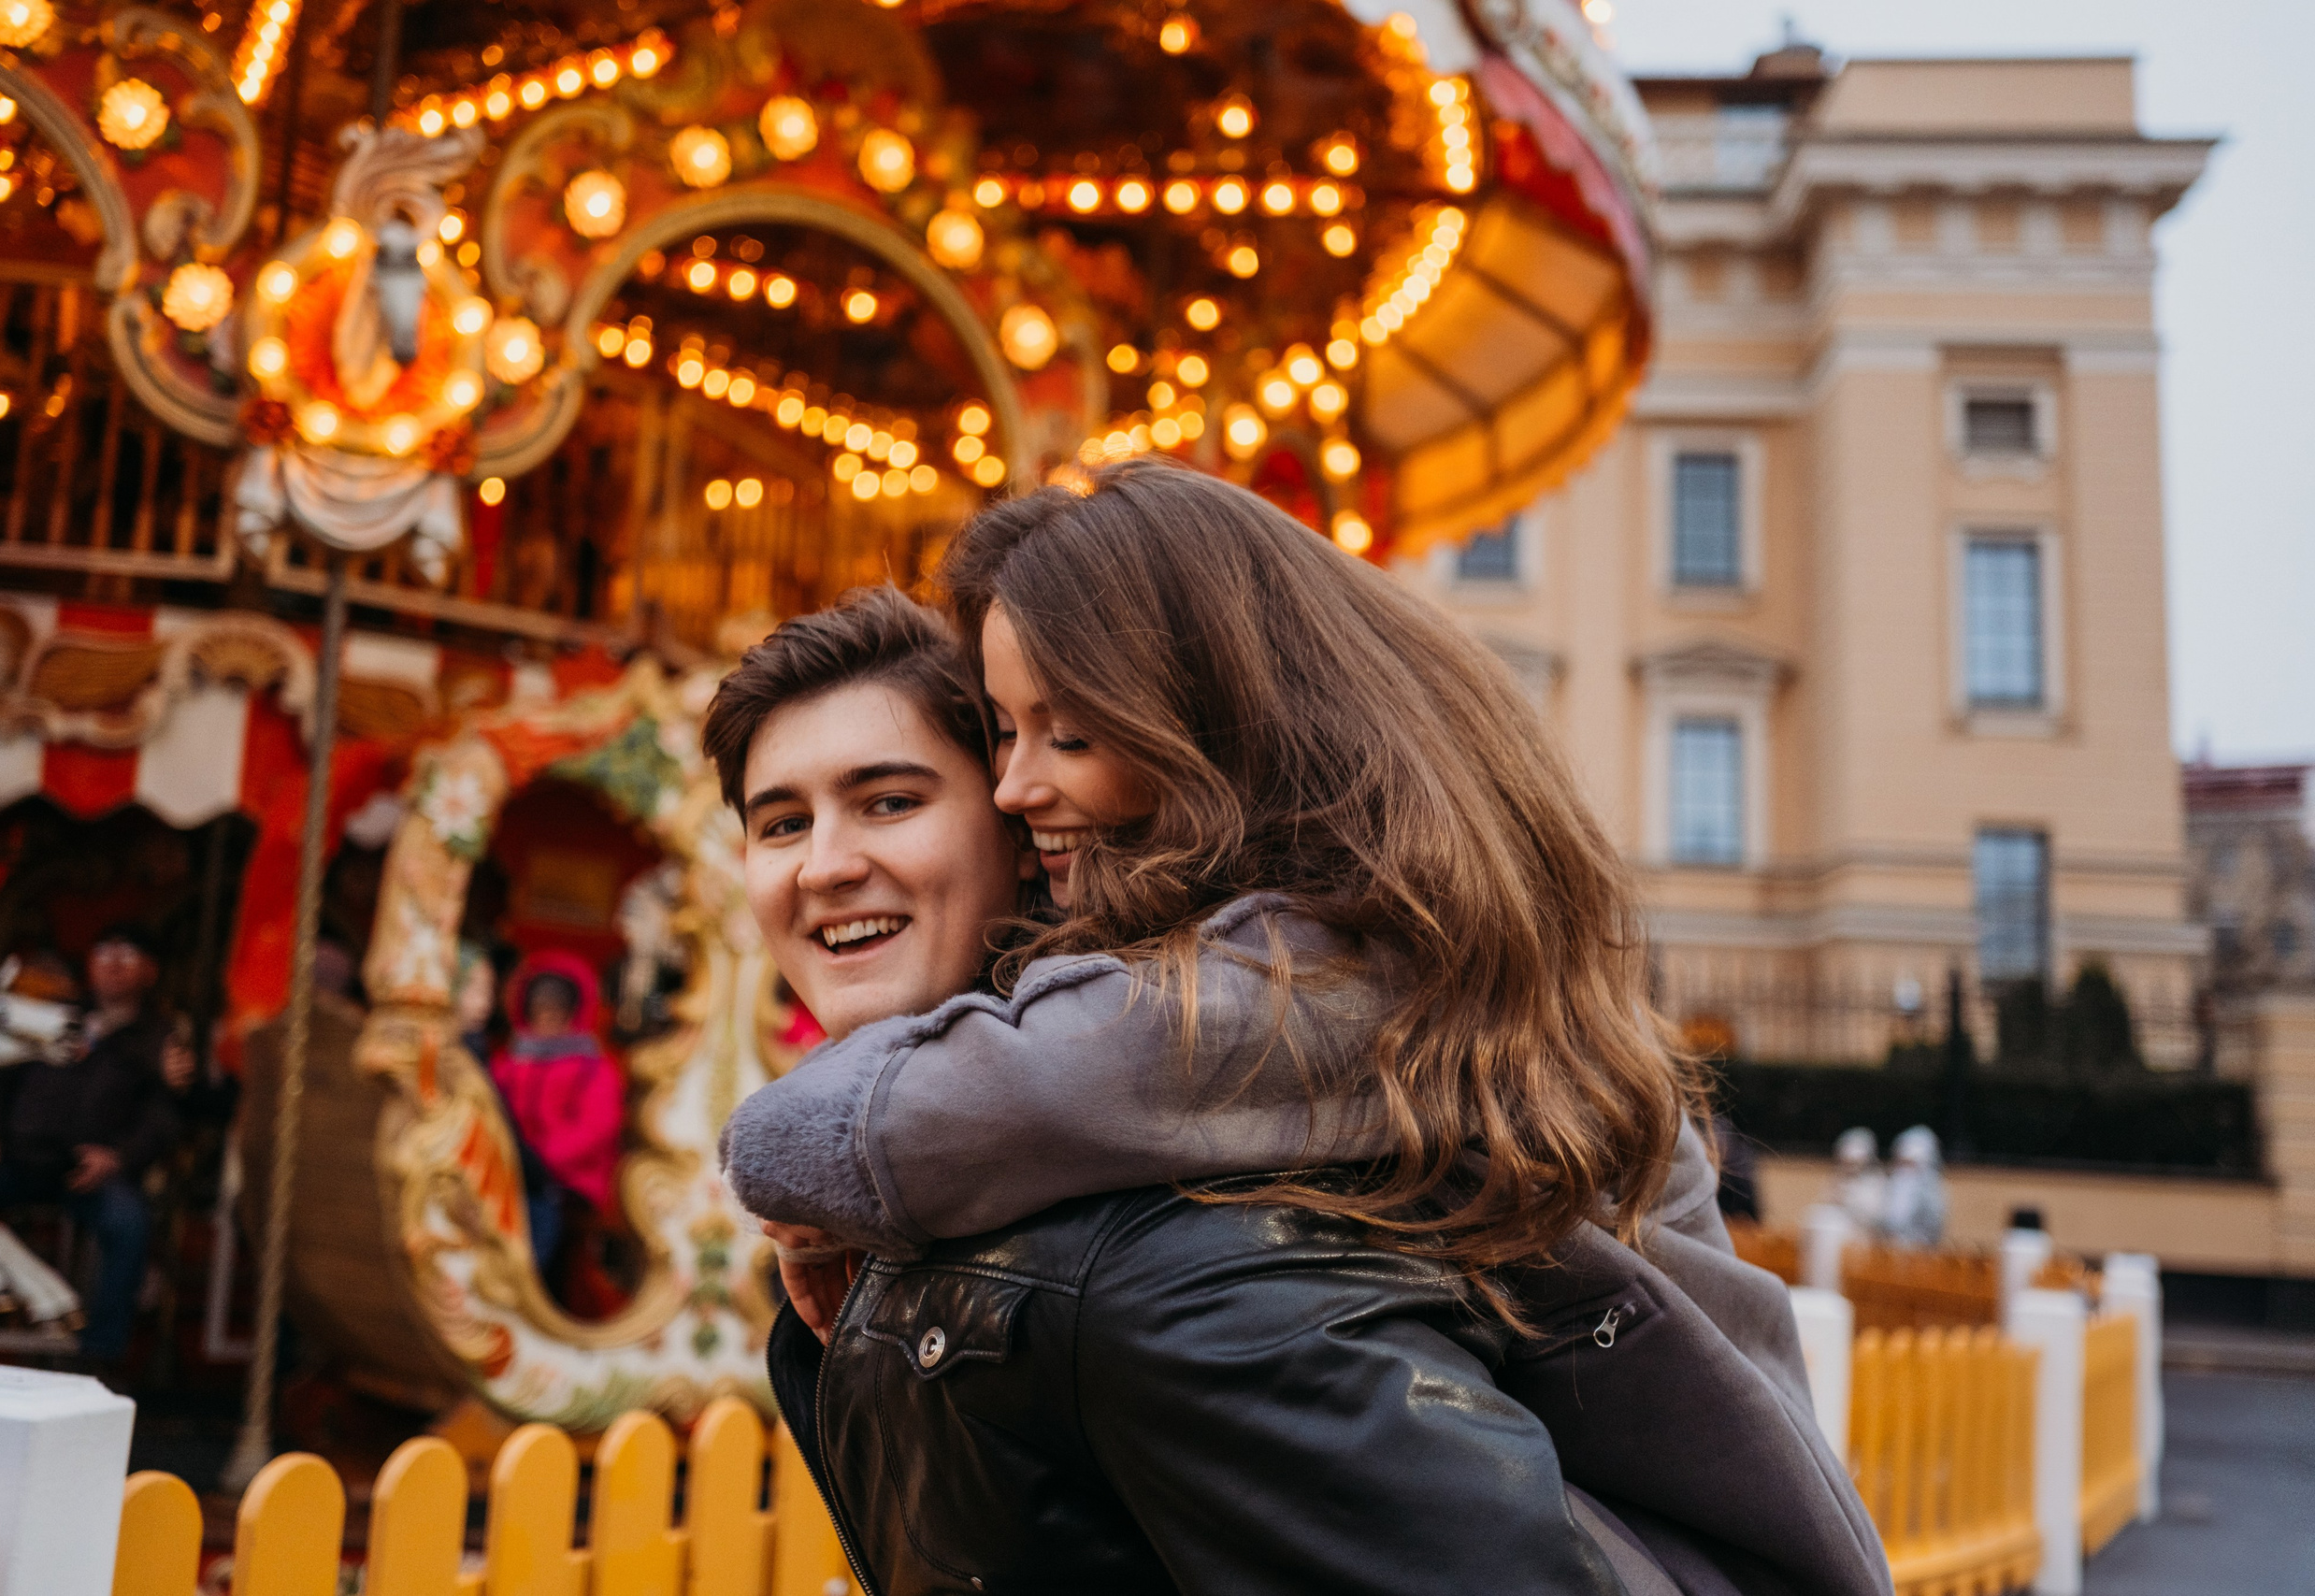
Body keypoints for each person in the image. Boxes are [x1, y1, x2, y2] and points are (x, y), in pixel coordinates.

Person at [715, 548, 1889, 1593]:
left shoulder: (1196, 1212)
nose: (824, 866)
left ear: (1022, 843)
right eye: (779, 824)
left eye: (891, 801)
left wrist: (815, 1158)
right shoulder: (1058, 1168)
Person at [0, 926, 180, 1362]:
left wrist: (119, 1158)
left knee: (130, 1223)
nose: (113, 964)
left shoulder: (160, 1040)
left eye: (127, 955)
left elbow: (163, 1117)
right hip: (17, 1154)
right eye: (104, 952)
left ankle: (100, 1352)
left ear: (150, 970)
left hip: (88, 1170)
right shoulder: (53, 1013)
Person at [487, 951, 625, 1278]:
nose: (547, 1020)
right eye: (540, 1011)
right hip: (511, 1171)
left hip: (566, 1181)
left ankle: (525, 1278)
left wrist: (541, 1161)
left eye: (556, 1012)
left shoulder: (594, 1068)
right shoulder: (509, 1063)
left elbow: (597, 1128)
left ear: (572, 1014)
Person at [1879, 1125, 1948, 1248]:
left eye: (1910, 1164)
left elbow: (1934, 1225)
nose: (1905, 1169)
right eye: (1902, 1163)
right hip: (1888, 1248)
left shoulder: (1932, 1189)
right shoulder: (1893, 1182)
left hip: (1919, 1250)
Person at [1830, 1127, 1888, 1239]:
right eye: (1846, 1163)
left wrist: (1848, 1201)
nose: (1850, 1167)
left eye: (1854, 1163)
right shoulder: (1839, 1179)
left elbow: (1874, 1217)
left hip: (1863, 1237)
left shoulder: (1875, 1182)